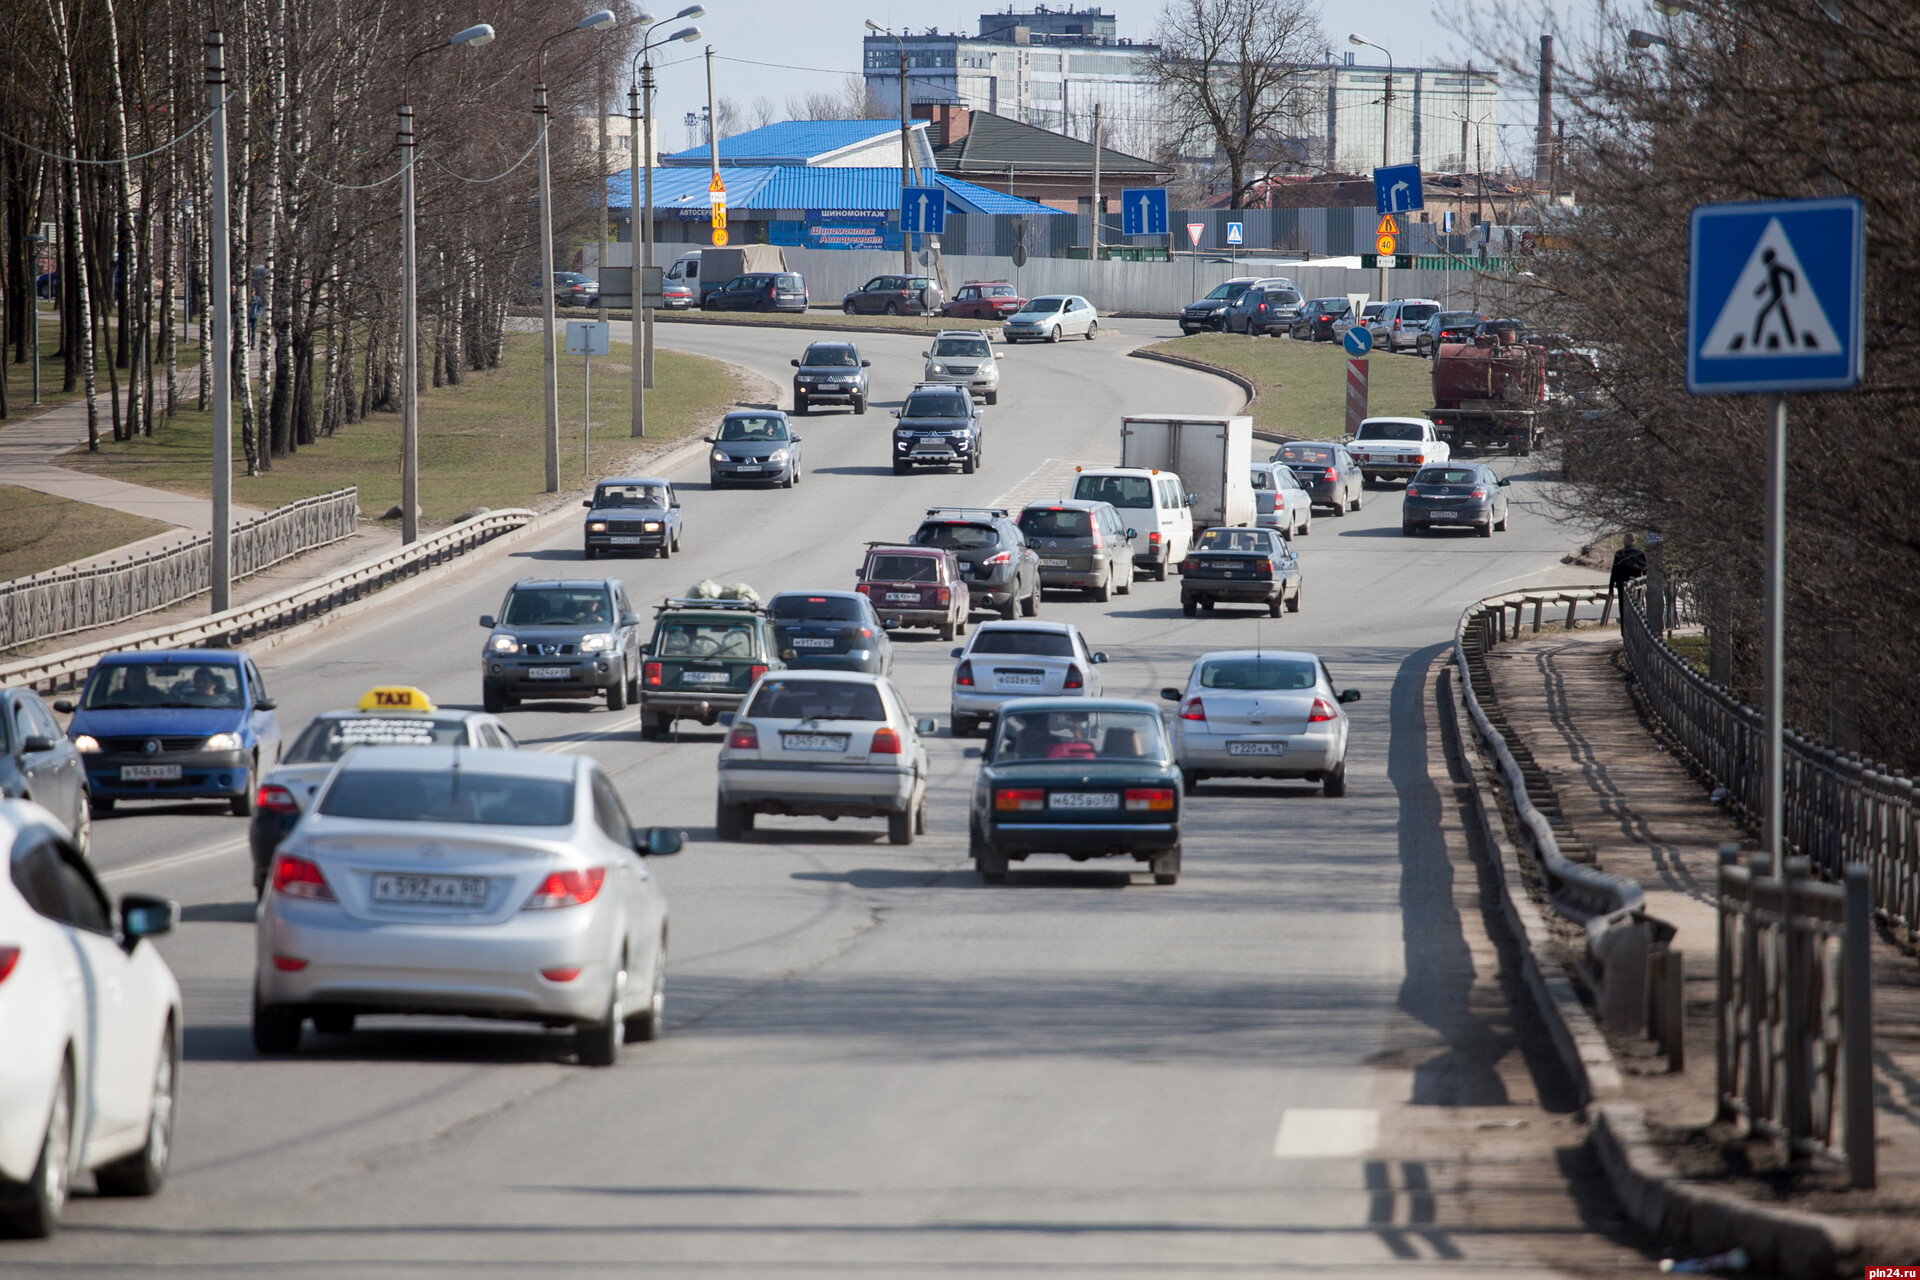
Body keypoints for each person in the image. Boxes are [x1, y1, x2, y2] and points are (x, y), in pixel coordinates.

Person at [1608, 534, 1647, 616]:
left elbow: (1614, 571)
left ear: (1625, 541)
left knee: (1622, 609)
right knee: (1635, 606)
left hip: (1622, 584)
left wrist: (1611, 588)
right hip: (1636, 584)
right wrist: (1646, 584)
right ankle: (1633, 627)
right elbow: (1645, 570)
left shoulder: (1619, 553)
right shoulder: (1639, 553)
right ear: (1634, 541)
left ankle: (1624, 627)